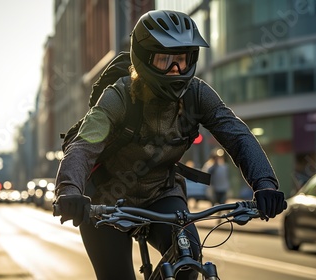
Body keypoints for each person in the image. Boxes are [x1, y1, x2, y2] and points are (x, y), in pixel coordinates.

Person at [54, 10, 285, 280]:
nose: (176, 70)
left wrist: (265, 184)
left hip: (161, 193)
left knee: (188, 260)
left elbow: (237, 135)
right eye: (165, 60)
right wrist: (69, 190)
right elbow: (83, 146)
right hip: (103, 202)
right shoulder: (119, 97)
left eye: (182, 60)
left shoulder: (197, 94)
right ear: (144, 60)